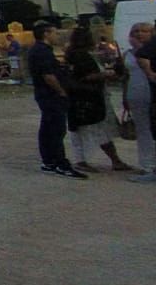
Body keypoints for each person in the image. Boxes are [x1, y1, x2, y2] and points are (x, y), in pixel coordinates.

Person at [64, 27, 130, 173]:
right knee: (95, 129)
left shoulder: (74, 54)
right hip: (89, 97)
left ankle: (112, 160)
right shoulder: (81, 56)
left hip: (85, 96)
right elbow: (86, 76)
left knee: (91, 130)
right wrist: (108, 74)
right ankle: (86, 160)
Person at [28, 22, 86, 179]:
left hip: (45, 95)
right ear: (46, 34)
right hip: (51, 95)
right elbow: (48, 75)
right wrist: (61, 91)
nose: (57, 36)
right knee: (56, 129)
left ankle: (49, 161)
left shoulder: (39, 50)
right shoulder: (42, 52)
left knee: (47, 128)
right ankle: (60, 163)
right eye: (55, 33)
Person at [125, 23, 156, 182]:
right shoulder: (129, 52)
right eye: (135, 31)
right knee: (142, 130)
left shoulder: (149, 51)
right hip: (135, 92)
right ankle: (146, 164)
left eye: (143, 31)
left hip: (150, 90)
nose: (139, 34)